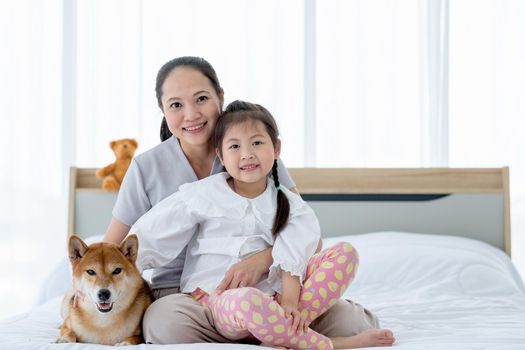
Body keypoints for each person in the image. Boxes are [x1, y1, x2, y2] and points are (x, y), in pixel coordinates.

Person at [103, 56, 380, 344]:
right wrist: (85, 290)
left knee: (349, 322)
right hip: (193, 300)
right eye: (176, 105)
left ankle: (279, 328)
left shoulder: (260, 159)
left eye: (201, 99)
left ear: (220, 97)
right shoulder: (148, 168)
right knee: (164, 325)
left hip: (275, 288)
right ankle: (289, 336)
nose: (191, 114)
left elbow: (307, 235)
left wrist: (262, 261)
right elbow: (114, 250)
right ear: (162, 110)